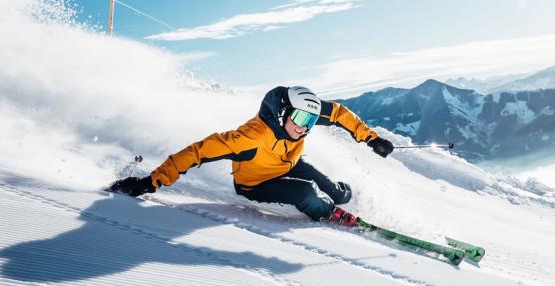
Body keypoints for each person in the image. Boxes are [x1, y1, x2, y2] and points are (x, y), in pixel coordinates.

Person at [108, 86, 394, 223]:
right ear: (282, 113)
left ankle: (336, 198)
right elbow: (196, 152)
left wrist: (372, 139)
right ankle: (327, 212)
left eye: (310, 121)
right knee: (306, 193)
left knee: (335, 189)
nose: (304, 127)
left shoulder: (301, 115)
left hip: (289, 163)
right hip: (257, 182)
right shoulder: (250, 138)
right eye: (300, 120)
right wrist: (150, 182)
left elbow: (340, 114)